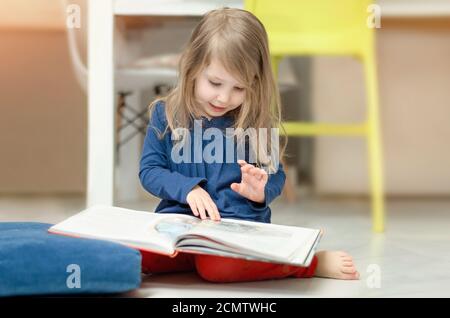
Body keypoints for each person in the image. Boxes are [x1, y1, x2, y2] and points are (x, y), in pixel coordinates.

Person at [139, 7, 359, 283]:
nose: (223, 97)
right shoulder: (166, 113)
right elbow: (150, 170)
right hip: (179, 226)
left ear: (254, 84)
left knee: (217, 269)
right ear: (193, 67)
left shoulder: (256, 121)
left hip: (236, 228)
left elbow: (276, 175)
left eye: (239, 88)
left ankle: (307, 261)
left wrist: (259, 191)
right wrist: (188, 189)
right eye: (215, 82)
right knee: (140, 255)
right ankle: (195, 260)